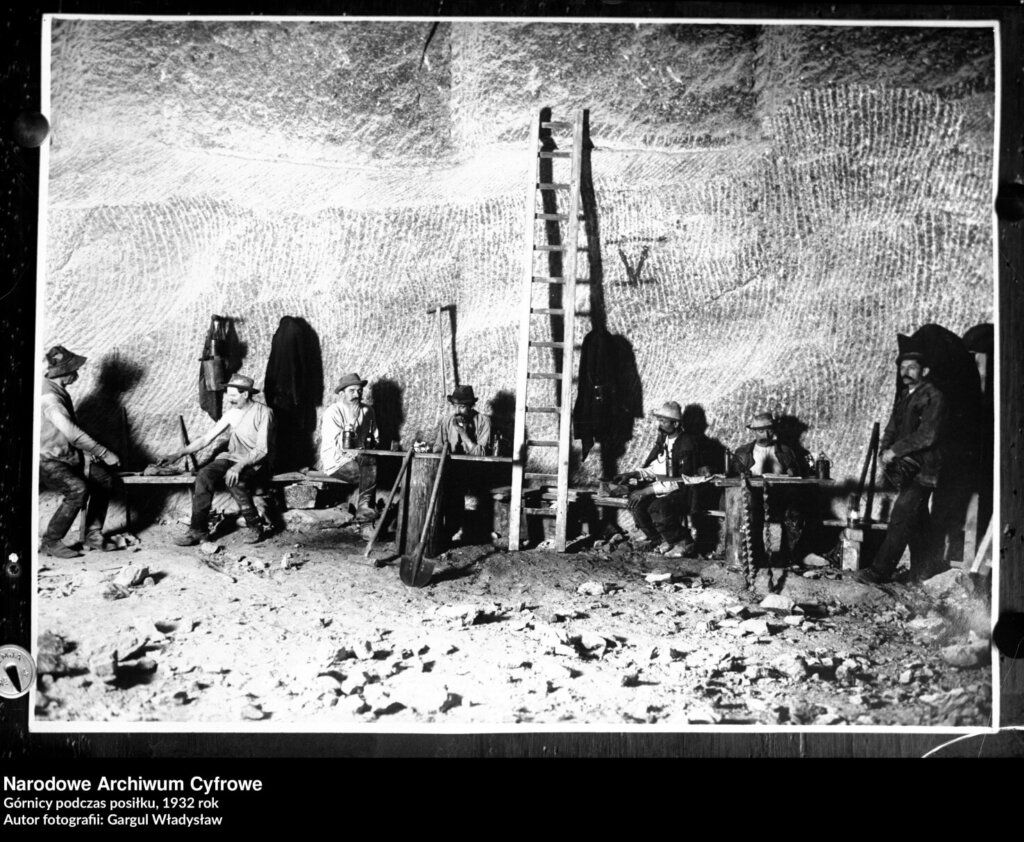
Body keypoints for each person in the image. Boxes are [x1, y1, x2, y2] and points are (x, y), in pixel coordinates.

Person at [856, 348, 947, 583]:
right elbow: (892, 428)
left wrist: (895, 451)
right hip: (908, 468)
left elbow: (928, 435)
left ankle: (878, 572)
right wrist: (885, 451)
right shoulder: (906, 395)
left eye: (912, 367)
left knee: (901, 515)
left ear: (924, 371)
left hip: (925, 470)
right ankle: (923, 573)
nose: (905, 372)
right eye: (902, 367)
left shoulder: (933, 396)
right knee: (917, 519)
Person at [165, 374, 274, 546]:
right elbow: (205, 439)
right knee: (203, 476)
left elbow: (262, 449)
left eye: (233, 396)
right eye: (228, 395)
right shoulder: (232, 414)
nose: (229, 399)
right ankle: (198, 530)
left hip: (254, 461)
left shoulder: (264, 413)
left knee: (234, 482)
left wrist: (239, 466)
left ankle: (255, 525)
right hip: (230, 457)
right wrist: (178, 454)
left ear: (245, 394)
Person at [38, 345, 121, 558]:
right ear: (65, 373)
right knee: (77, 490)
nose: (77, 373)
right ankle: (51, 541)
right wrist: (103, 452)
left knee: (103, 479)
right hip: (47, 460)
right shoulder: (50, 397)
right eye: (74, 369)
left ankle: (92, 535)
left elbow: (70, 440)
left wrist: (87, 454)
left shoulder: (57, 390)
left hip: (67, 458)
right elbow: (71, 433)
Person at [616, 401, 704, 557]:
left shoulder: (687, 444)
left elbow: (679, 480)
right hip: (665, 487)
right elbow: (658, 468)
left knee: (658, 506)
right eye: (660, 420)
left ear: (676, 423)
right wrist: (634, 474)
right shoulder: (664, 441)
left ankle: (684, 542)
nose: (660, 424)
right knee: (636, 505)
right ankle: (660, 540)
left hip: (684, 491)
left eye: (663, 421)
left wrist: (645, 491)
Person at [432, 385, 492, 543]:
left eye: (463, 407)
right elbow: (438, 446)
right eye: (455, 406)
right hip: (452, 470)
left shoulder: (483, 421)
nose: (458, 411)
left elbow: (482, 454)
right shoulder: (447, 421)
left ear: (471, 406)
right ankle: (447, 529)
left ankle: (467, 530)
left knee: (470, 493)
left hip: (476, 471)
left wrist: (464, 435)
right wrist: (440, 453)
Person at [319, 372, 379, 522]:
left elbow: (375, 437)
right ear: (342, 393)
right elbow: (338, 446)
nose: (356, 394)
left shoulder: (368, 411)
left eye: (359, 391)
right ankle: (365, 517)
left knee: (372, 468)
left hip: (363, 459)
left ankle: (364, 512)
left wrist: (371, 446)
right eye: (351, 391)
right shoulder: (333, 412)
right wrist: (351, 422)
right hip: (337, 461)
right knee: (371, 473)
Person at [730, 412, 803, 477]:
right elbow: (734, 476)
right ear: (753, 432)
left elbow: (798, 471)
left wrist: (793, 471)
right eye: (761, 431)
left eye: (770, 431)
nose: (766, 435)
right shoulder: (742, 452)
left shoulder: (785, 450)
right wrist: (742, 474)